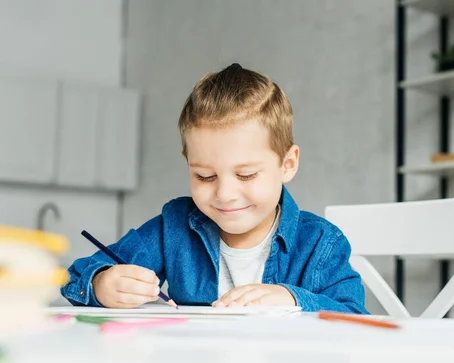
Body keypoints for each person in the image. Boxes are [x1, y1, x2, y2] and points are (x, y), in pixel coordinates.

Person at [61, 63, 367, 314]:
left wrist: (294, 300)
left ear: (287, 164)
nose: (224, 194)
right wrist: (103, 283)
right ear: (188, 163)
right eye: (205, 176)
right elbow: (78, 276)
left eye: (246, 175)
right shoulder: (174, 227)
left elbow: (355, 317)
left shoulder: (319, 242)